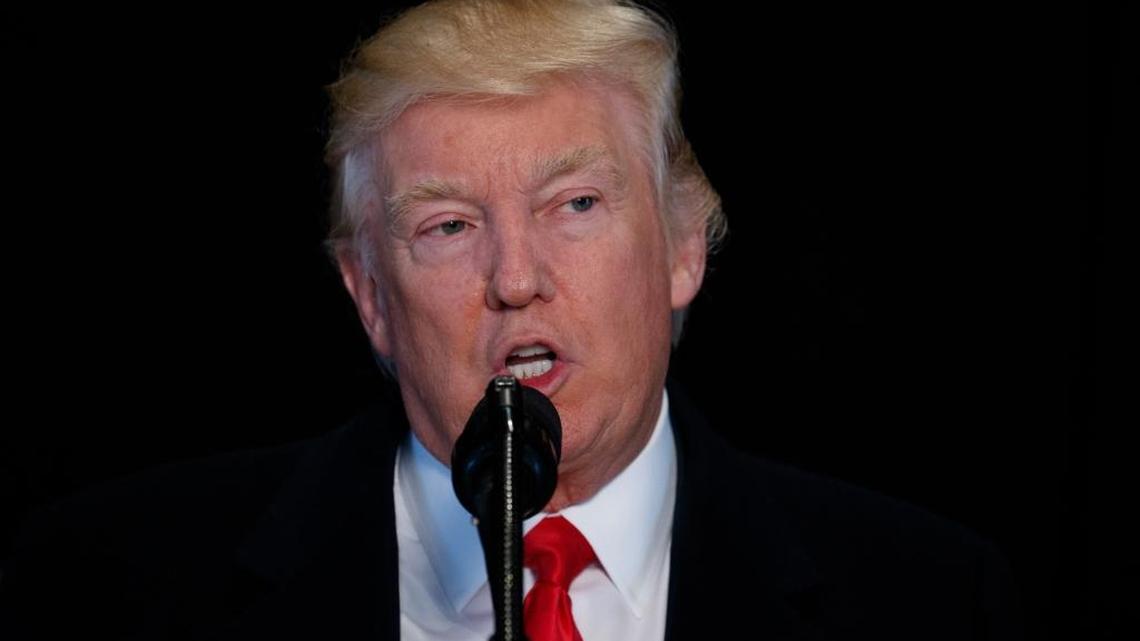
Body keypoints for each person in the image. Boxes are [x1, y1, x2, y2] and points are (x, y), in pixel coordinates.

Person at [1, 1, 1022, 639]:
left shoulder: (934, 601)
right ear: (368, 294)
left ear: (683, 245)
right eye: (447, 225)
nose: (516, 278)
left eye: (575, 205)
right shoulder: (102, 586)